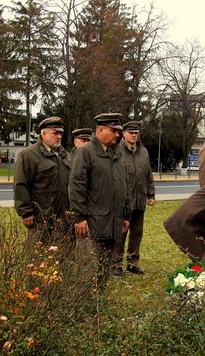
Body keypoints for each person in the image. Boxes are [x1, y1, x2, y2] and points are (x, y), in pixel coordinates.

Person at [69, 112, 131, 284]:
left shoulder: (117, 153)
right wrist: (79, 217)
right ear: (100, 130)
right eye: (114, 130)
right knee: (87, 271)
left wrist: (126, 215)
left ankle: (99, 307)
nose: (118, 135)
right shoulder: (86, 153)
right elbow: (76, 187)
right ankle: (84, 309)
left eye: (119, 131)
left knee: (104, 270)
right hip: (92, 224)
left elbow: (124, 186)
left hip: (113, 223)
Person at [14, 116, 72, 247]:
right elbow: (21, 184)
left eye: (61, 133)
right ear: (44, 133)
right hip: (41, 217)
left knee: (65, 256)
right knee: (38, 256)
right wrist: (26, 212)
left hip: (64, 217)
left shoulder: (65, 155)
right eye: (55, 133)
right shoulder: (29, 155)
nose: (59, 136)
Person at [112, 121, 155, 276]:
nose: (134, 135)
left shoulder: (143, 151)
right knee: (121, 233)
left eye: (136, 133)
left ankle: (133, 262)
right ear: (123, 134)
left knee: (137, 232)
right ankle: (116, 263)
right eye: (131, 133)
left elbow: (148, 174)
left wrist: (151, 194)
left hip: (139, 200)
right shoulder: (117, 150)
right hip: (123, 202)